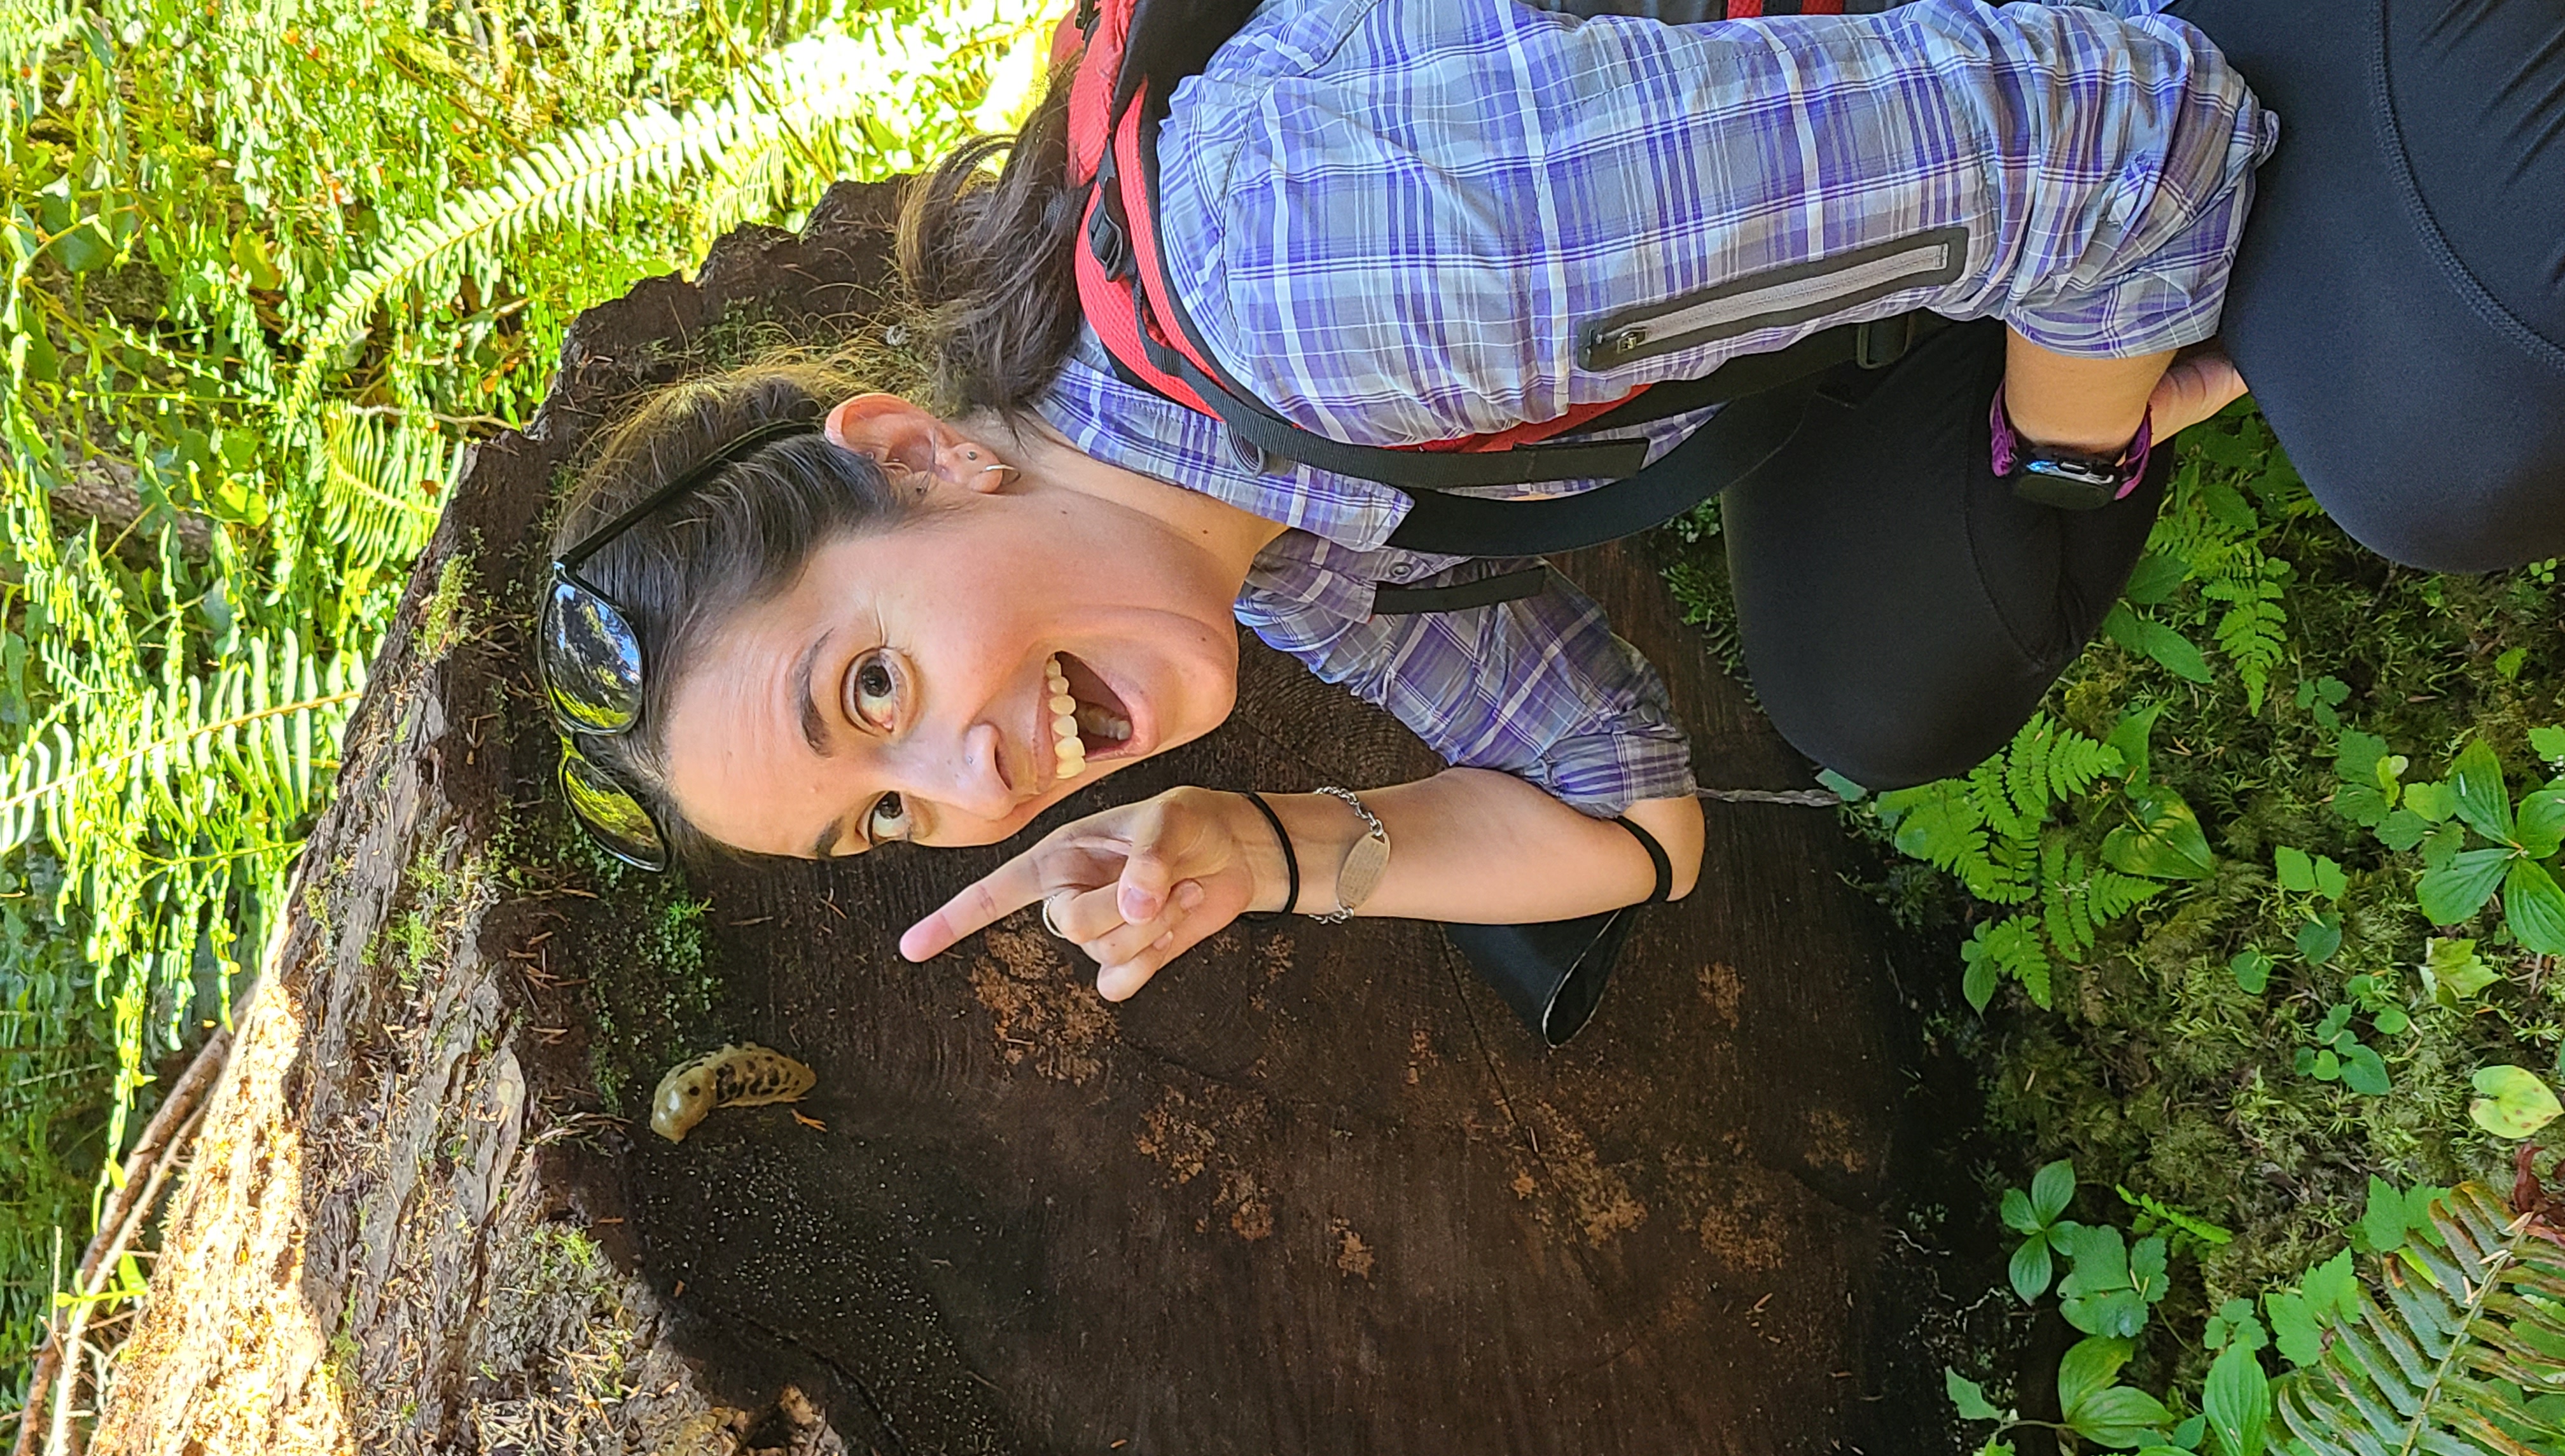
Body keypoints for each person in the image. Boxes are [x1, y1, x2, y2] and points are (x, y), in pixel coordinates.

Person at [536, 0, 2559, 1008]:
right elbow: (1621, 810)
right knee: (1878, 674)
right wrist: (1274, 853)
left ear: (913, 455)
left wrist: (2077, 434)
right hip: (1950, 90)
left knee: (2443, 427)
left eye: (869, 688)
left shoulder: (1329, 298)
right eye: (884, 815)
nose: (975, 786)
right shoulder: (1201, 491)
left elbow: (2136, 145)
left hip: (2110, 74)